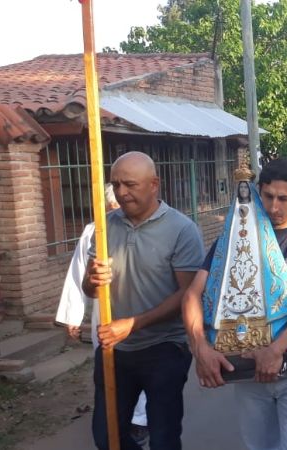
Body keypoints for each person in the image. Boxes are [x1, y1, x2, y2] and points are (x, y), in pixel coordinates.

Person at [182, 158, 287, 450]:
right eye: (267, 196)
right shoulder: (233, 237)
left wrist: (275, 350)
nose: (273, 207)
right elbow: (192, 294)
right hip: (249, 371)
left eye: (283, 199)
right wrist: (200, 347)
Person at [84, 151, 205, 450]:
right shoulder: (104, 227)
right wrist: (92, 279)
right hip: (115, 348)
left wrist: (133, 324)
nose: (121, 192)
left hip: (165, 347)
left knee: (163, 438)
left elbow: (187, 295)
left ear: (154, 184)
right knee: (108, 437)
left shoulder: (181, 230)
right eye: (116, 184)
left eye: (130, 184)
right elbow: (89, 289)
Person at [55, 184, 150, 446]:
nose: (120, 210)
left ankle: (139, 420)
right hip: (106, 314)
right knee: (109, 367)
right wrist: (73, 315)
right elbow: (79, 273)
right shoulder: (94, 231)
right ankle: (114, 418)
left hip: (140, 312)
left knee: (142, 364)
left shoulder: (149, 228)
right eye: (114, 206)